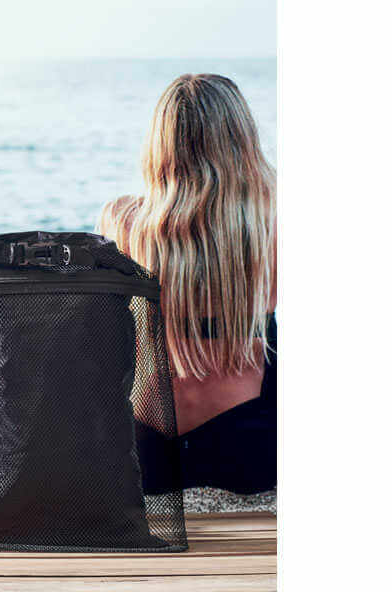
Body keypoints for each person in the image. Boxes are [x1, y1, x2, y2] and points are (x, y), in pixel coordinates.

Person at [97, 74, 276, 495]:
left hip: (146, 443)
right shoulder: (273, 225)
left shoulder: (122, 221)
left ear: (160, 144)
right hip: (250, 439)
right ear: (243, 139)